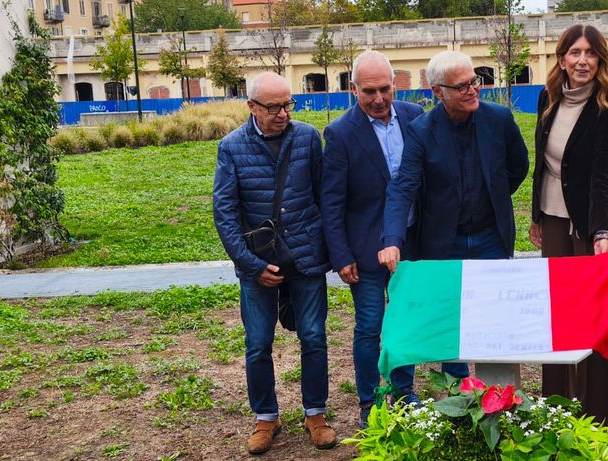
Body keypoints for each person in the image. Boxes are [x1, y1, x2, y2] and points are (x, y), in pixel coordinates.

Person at [377, 52, 530, 382]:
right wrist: (392, 240)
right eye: (462, 86)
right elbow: (403, 186)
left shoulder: (499, 119)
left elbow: (519, 166)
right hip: (445, 241)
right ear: (437, 91)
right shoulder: (421, 131)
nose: (472, 90)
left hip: (491, 237)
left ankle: (499, 392)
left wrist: (495, 195)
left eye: (475, 81)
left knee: (496, 315)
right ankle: (459, 393)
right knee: (451, 318)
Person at [212, 72, 336, 454]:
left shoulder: (308, 138)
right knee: (257, 343)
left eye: (288, 104)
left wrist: (328, 250)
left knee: (313, 336)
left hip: (305, 258)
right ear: (252, 106)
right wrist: (251, 266)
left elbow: (324, 196)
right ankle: (266, 417)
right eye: (274, 107)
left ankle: (315, 413)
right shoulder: (231, 147)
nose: (283, 113)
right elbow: (225, 213)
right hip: (259, 263)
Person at [529, 23, 608, 426]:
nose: (583, 60)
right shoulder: (547, 97)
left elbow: (603, 174)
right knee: (556, 314)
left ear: (600, 59)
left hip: (588, 224)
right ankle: (555, 408)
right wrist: (537, 215)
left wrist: (602, 231)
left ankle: (594, 415)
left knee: (590, 317)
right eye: (575, 52)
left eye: (591, 53)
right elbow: (542, 161)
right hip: (553, 218)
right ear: (562, 58)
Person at [320, 50, 425, 428]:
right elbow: (332, 202)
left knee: (405, 321)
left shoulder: (415, 117)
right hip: (364, 250)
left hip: (411, 244)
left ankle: (404, 391)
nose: (379, 99)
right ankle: (369, 401)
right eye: (369, 92)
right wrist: (340, 255)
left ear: (394, 84)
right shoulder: (341, 133)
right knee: (369, 327)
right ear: (353, 89)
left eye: (384, 89)